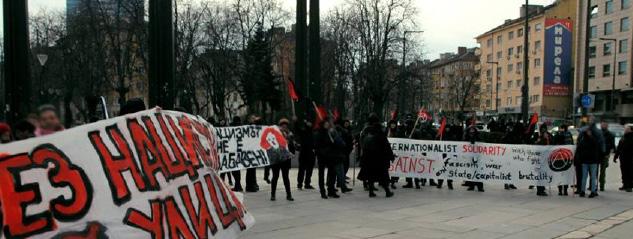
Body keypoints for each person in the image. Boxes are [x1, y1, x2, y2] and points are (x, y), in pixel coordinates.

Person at [358, 113, 394, 198]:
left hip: (368, 157)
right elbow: (386, 146)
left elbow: (362, 142)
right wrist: (391, 156)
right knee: (383, 175)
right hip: (379, 158)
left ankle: (371, 192)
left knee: (371, 175)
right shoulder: (380, 132)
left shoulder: (366, 131)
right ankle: (387, 191)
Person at [269, 118, 295, 201]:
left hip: (285, 159)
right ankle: (273, 194)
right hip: (276, 159)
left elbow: (291, 147)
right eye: (282, 125)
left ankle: (289, 194)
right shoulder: (275, 134)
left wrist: (290, 140)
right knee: (275, 177)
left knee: (286, 177)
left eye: (285, 125)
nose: (284, 127)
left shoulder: (289, 135)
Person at [314, 119, 339, 199]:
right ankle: (323, 192)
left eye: (328, 124)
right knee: (321, 175)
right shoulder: (318, 134)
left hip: (330, 157)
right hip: (322, 157)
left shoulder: (329, 133)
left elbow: (333, 143)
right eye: (326, 124)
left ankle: (331, 191)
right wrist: (324, 152)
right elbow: (317, 147)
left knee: (332, 173)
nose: (328, 125)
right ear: (322, 125)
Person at [576, 128, 602, 198]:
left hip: (586, 161)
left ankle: (583, 191)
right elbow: (598, 150)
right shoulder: (594, 140)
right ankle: (592, 191)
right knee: (592, 177)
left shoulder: (582, 141)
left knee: (585, 177)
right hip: (592, 161)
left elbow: (579, 151)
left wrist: (580, 159)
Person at [554, 124, 574, 196]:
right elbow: (571, 144)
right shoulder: (569, 134)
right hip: (566, 157)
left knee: (560, 174)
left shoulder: (561, 134)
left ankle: (561, 190)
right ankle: (565, 190)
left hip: (560, 157)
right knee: (565, 174)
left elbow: (555, 143)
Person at [464, 120, 484, 192]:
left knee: (478, 171)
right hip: (470, 156)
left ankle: (480, 186)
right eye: (470, 133)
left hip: (477, 156)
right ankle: (471, 185)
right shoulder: (467, 139)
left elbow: (481, 146)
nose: (471, 134)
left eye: (473, 132)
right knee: (471, 170)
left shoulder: (478, 139)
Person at [534, 124, 553, 196]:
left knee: (544, 174)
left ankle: (542, 187)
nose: (543, 130)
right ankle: (540, 190)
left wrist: (547, 138)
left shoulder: (549, 135)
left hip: (547, 158)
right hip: (540, 158)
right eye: (542, 129)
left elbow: (552, 143)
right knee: (540, 174)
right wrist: (541, 139)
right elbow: (536, 145)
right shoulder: (538, 135)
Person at [296, 120, 316, 190]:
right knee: (301, 169)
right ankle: (299, 184)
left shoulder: (313, 132)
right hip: (303, 153)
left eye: (310, 122)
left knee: (309, 170)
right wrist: (295, 121)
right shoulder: (303, 131)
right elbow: (296, 129)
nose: (309, 123)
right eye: (308, 122)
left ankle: (307, 184)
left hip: (311, 153)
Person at [245, 115, 263, 192]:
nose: (254, 119)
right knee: (250, 169)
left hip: (254, 151)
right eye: (252, 118)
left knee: (253, 169)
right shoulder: (248, 127)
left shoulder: (256, 127)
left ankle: (253, 183)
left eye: (254, 118)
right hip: (249, 151)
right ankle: (249, 186)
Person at [614, 125, 633, 192]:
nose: (625, 130)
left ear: (630, 130)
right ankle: (625, 184)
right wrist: (615, 156)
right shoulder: (623, 137)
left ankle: (630, 186)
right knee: (624, 172)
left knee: (630, 172)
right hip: (622, 158)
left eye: (626, 129)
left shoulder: (631, 137)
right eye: (625, 128)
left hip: (630, 158)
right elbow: (619, 148)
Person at [599, 122, 615, 191]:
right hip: (597, 154)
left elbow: (612, 146)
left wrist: (609, 155)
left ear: (607, 126)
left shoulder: (610, 134)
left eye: (605, 125)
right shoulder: (598, 133)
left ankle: (602, 185)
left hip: (605, 155)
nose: (603, 126)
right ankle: (593, 185)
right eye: (602, 124)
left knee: (602, 171)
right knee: (594, 171)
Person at [230, 116, 244, 192]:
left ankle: (238, 185)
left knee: (234, 170)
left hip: (233, 151)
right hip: (239, 151)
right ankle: (238, 185)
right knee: (237, 170)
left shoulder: (232, 127)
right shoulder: (242, 127)